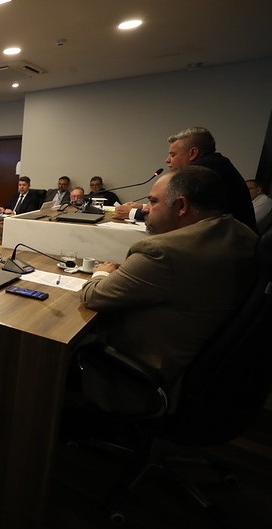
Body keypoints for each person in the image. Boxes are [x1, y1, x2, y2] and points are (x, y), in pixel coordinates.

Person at [78, 166, 257, 413]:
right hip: (203, 369)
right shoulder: (241, 233)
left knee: (63, 344)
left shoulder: (163, 252)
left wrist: (101, 272)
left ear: (181, 206)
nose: (146, 209)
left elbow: (93, 295)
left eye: (152, 201)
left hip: (144, 375)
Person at [114, 127, 256, 231]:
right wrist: (145, 207)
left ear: (193, 153)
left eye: (173, 155)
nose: (167, 160)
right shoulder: (216, 163)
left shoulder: (202, 172)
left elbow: (181, 214)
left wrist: (134, 213)